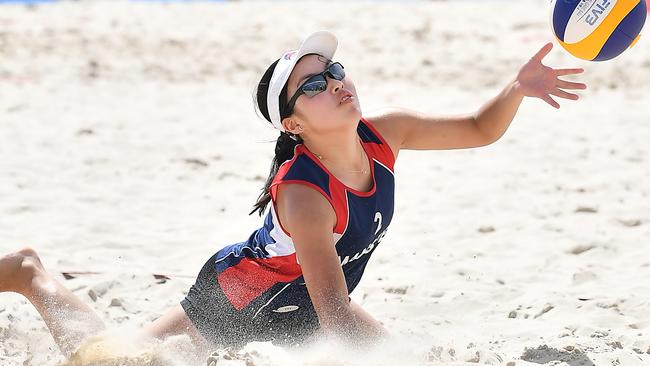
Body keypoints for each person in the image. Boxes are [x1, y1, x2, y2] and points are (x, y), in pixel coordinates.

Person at [0, 30, 587, 359]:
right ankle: (29, 273)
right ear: (293, 125)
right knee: (103, 360)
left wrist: (518, 88)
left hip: (298, 300)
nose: (333, 82)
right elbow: (333, 311)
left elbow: (480, 130)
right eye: (311, 84)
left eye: (333, 69)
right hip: (239, 301)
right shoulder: (306, 196)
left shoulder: (387, 133)